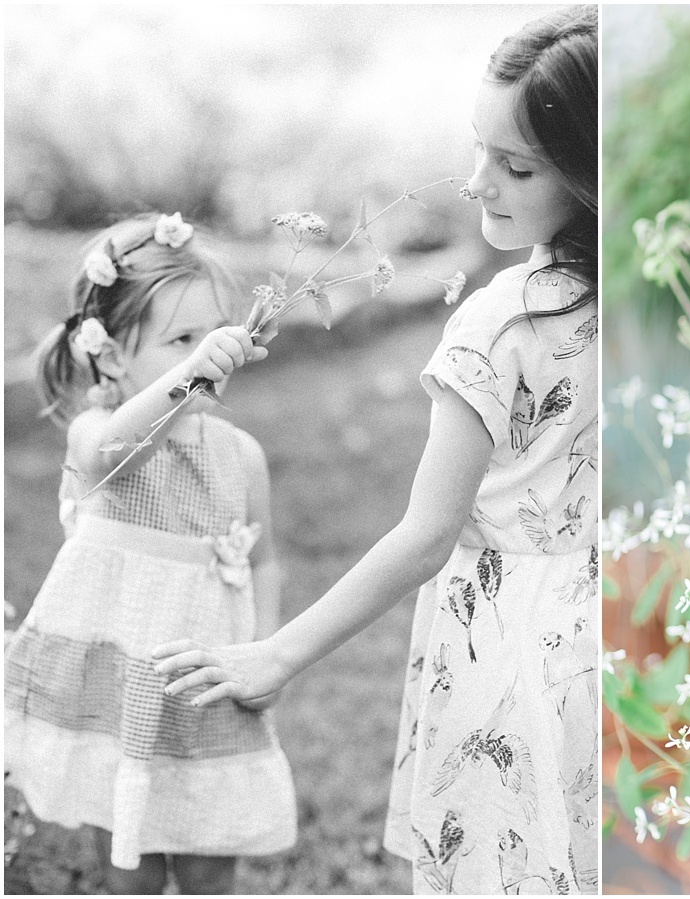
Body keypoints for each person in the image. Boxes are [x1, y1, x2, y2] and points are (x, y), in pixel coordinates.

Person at [153, 6, 599, 895]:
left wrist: (276, 653)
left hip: (505, 650)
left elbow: (427, 535)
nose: (477, 182)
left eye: (514, 165)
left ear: (590, 175)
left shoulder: (503, 319)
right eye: (478, 150)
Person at [3, 213, 297, 894]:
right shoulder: (98, 435)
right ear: (110, 354)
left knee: (208, 859)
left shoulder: (240, 455)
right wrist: (190, 374)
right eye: (182, 340)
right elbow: (116, 449)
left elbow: (264, 561)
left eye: (214, 333)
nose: (208, 352)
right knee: (129, 861)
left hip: (206, 685)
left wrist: (265, 652)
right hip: (121, 688)